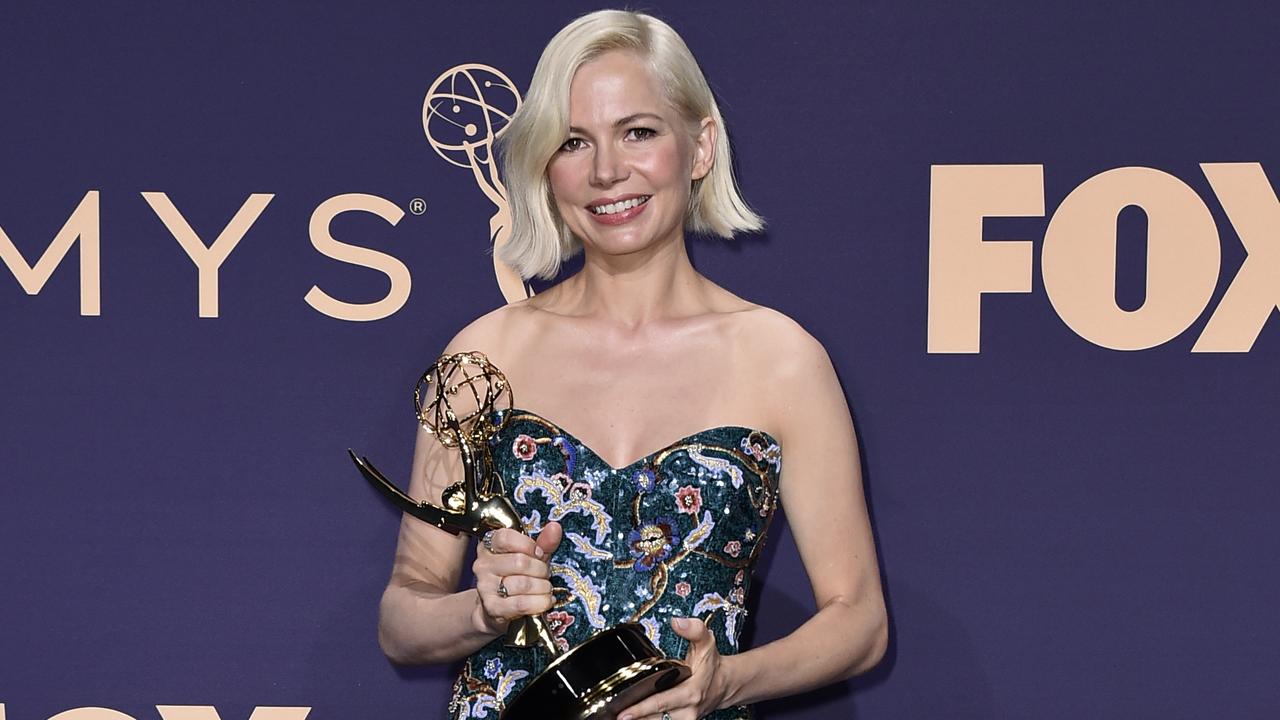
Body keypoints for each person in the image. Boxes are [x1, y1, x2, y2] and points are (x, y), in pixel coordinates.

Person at [378, 9, 887, 720]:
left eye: (638, 132)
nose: (607, 171)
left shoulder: (781, 359)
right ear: (542, 165)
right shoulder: (484, 357)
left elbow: (859, 620)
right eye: (573, 141)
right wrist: (479, 611)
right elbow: (403, 615)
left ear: (700, 146)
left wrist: (727, 683)